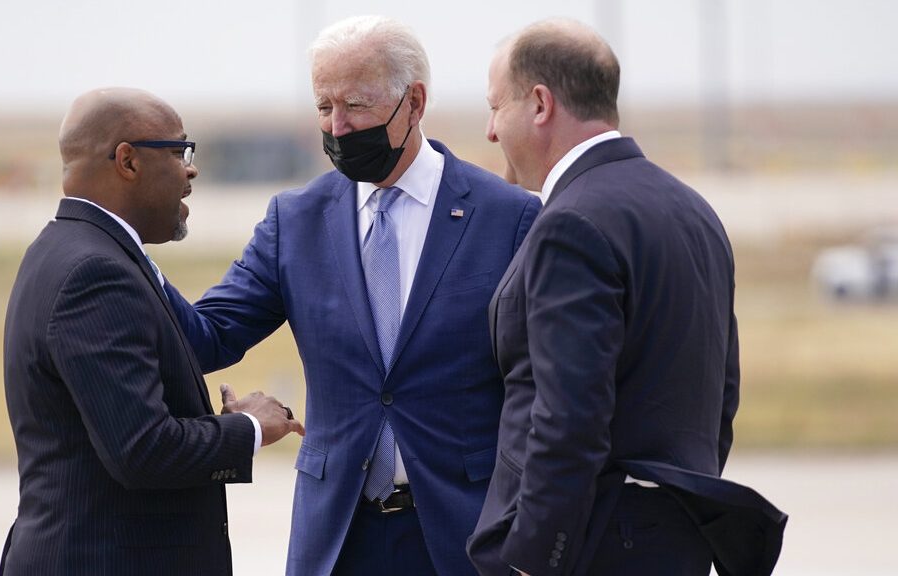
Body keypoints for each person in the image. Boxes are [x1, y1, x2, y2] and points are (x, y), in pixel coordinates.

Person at [164, 15, 541, 576]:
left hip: (465, 537)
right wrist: (124, 250)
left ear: (414, 102)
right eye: (324, 108)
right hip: (338, 540)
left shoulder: (508, 217)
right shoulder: (295, 221)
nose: (338, 128)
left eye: (357, 107)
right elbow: (207, 336)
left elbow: (539, 386)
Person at [467, 19, 786, 576]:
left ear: (540, 104)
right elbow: (720, 398)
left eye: (495, 107)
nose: (491, 132)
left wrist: (533, 562)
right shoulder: (693, 210)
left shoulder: (570, 224)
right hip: (676, 542)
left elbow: (568, 419)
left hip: (596, 547)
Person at [0, 87, 303, 576]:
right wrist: (249, 428)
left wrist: (288, 250)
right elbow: (142, 450)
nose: (191, 169)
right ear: (128, 161)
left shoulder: (74, 248)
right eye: (180, 150)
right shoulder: (95, 274)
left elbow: (200, 337)